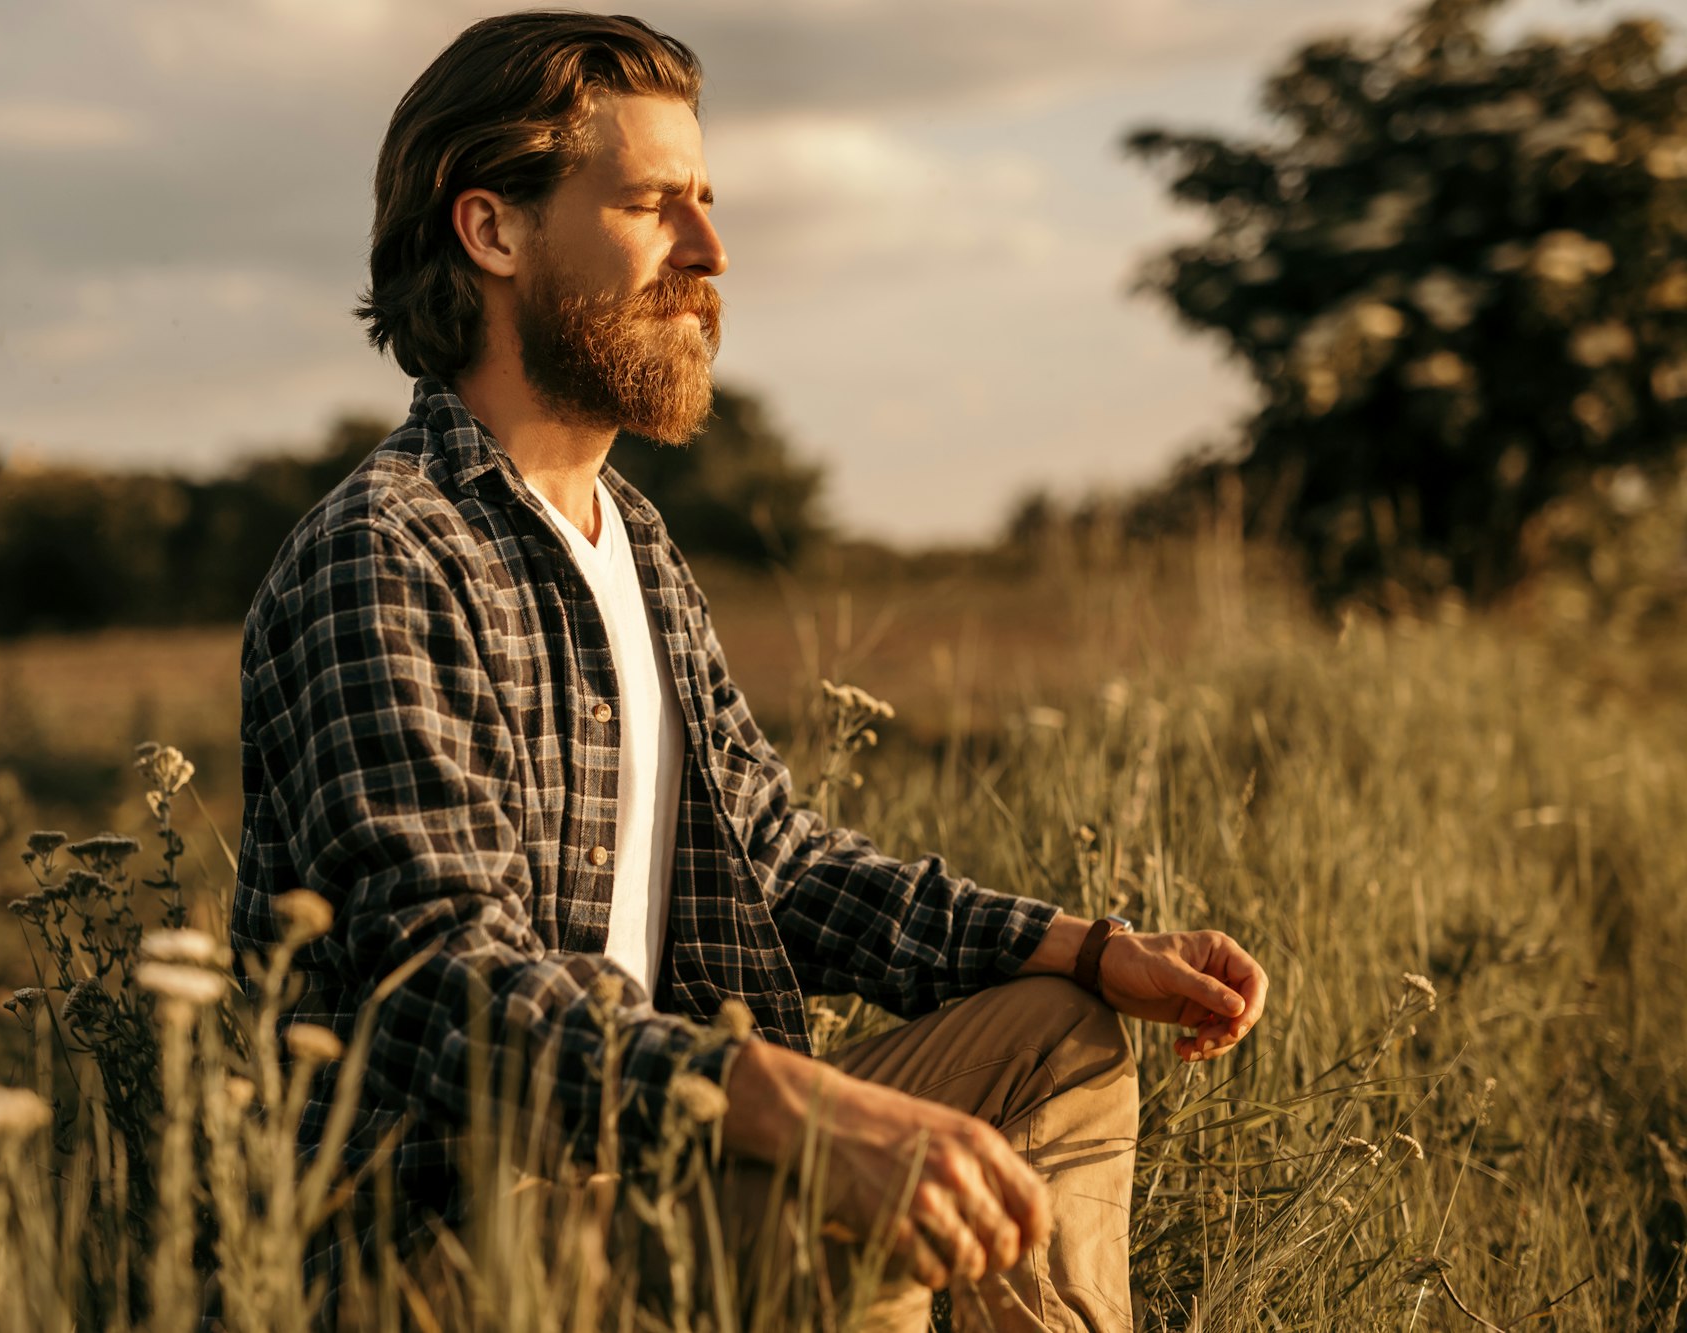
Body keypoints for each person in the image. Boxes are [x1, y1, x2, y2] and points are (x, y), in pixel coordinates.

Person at [230, 11, 1270, 1331]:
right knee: (851, 1198)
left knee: (1054, 1034)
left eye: (707, 205)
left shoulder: (637, 545)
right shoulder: (384, 554)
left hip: (650, 1183)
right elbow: (437, 973)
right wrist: (807, 1107)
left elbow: (779, 865)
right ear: (491, 233)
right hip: (452, 1247)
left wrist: (1089, 945)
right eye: (656, 206)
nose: (712, 252)